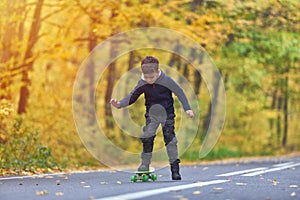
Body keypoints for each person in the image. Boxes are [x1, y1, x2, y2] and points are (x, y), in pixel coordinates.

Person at [110, 56, 194, 180]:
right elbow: (132, 97)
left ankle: (175, 170)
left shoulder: (167, 80)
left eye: (152, 77)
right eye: (146, 77)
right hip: (152, 115)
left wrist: (187, 108)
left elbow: (179, 92)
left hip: (168, 114)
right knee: (147, 136)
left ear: (157, 72)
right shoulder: (142, 83)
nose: (149, 80)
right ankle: (145, 165)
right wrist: (120, 104)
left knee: (170, 140)